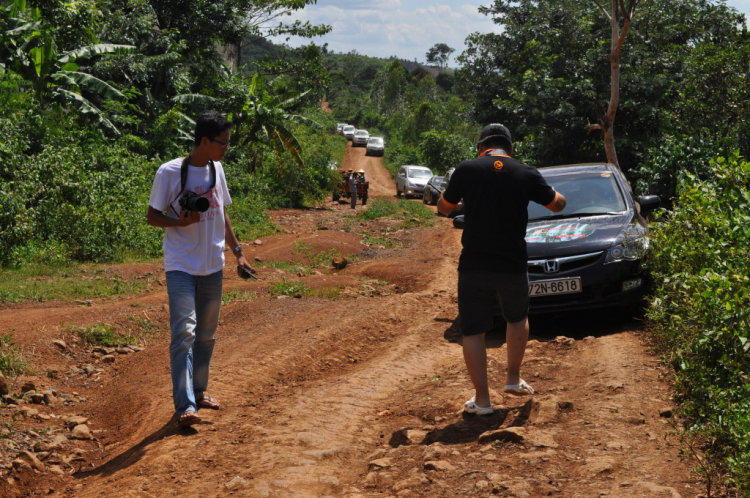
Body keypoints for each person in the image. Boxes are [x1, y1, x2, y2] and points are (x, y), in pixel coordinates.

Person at [437, 123, 567, 416]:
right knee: (517, 316)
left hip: (474, 264)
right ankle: (512, 379)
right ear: (511, 148)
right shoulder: (526, 172)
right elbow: (557, 205)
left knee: (473, 330)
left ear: (481, 147)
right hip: (512, 263)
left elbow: (444, 208)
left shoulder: (468, 169)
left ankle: (482, 400)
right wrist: (555, 192)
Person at [147, 111, 254, 427]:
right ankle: (184, 407)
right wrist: (177, 221)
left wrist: (238, 252)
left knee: (206, 335)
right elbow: (153, 216)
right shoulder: (169, 172)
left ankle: (199, 391)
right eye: (222, 143)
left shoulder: (216, 169)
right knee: (184, 333)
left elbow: (222, 214)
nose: (226, 149)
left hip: (212, 265)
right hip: (180, 264)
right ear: (205, 141)